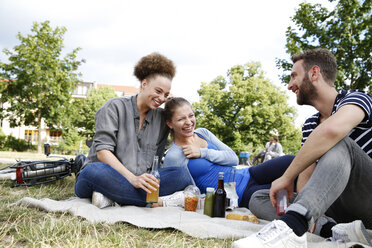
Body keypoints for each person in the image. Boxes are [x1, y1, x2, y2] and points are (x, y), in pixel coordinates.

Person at [233, 48, 372, 248]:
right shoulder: (309, 125)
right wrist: (307, 202)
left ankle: (292, 229)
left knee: (338, 141)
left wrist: (287, 176)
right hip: (338, 206)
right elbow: (307, 175)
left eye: (294, 76)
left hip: (367, 198)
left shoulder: (356, 99)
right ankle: (333, 230)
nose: (290, 85)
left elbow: (332, 131)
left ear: (314, 73)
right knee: (260, 198)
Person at [75, 53, 193, 207]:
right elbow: (103, 153)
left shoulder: (161, 120)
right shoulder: (114, 107)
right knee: (95, 171)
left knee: (181, 175)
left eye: (166, 94)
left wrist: (201, 145)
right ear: (144, 84)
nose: (162, 98)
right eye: (158, 91)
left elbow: (155, 165)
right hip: (106, 175)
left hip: (138, 181)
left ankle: (111, 198)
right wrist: (133, 179)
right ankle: (162, 202)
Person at [158, 97, 295, 208]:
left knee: (291, 161)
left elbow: (233, 158)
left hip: (248, 174)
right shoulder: (174, 156)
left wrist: (202, 152)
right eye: (181, 119)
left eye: (191, 116)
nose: (189, 122)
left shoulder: (203, 133)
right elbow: (188, 193)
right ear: (170, 124)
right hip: (239, 194)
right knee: (287, 189)